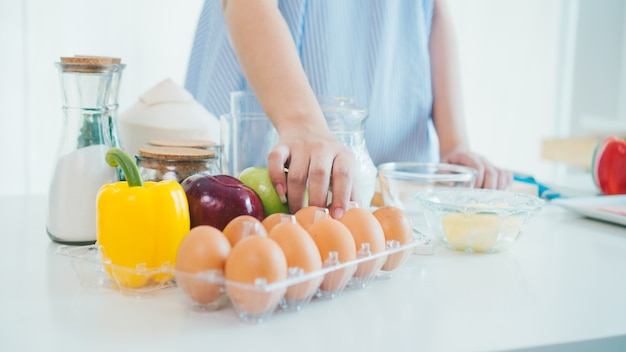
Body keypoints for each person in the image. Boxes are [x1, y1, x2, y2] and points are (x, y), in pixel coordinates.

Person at [185, 0, 512, 219]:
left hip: (389, 182)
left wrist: (455, 143)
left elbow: (435, 10)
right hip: (266, 156)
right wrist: (301, 122)